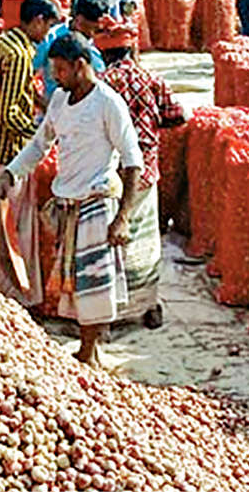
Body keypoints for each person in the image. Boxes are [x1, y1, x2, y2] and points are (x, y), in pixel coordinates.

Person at [0, 33, 144, 365]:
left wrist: (123, 217)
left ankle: (88, 352)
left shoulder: (107, 103)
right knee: (75, 283)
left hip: (97, 201)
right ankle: (91, 350)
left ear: (80, 65)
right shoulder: (60, 101)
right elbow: (40, 144)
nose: (56, 78)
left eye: (60, 70)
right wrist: (10, 173)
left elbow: (133, 161)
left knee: (93, 286)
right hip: (68, 202)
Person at [0, 0, 56, 304]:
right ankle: (3, 290)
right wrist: (40, 138)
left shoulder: (1, 43)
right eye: (48, 26)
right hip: (8, 153)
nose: (47, 34)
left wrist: (43, 104)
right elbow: (9, 113)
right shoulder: (19, 54)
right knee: (6, 227)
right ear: (38, 20)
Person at [96, 29, 185, 327]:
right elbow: (178, 116)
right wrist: (150, 129)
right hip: (145, 172)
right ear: (131, 51)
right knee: (145, 242)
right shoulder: (152, 79)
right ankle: (148, 305)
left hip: (112, 174)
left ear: (104, 54)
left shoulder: (102, 82)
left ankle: (112, 308)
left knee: (112, 240)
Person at [37, 0, 107, 99]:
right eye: (92, 29)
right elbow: (29, 73)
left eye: (97, 29)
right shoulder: (51, 37)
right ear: (79, 21)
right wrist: (43, 104)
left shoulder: (100, 41)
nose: (93, 34)